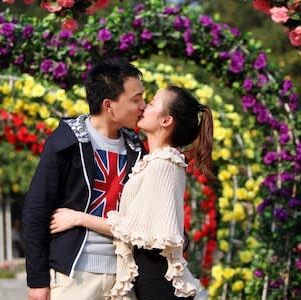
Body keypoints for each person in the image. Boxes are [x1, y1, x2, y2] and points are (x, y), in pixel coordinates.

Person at [50, 86, 212, 299]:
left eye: (152, 102)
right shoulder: (152, 161)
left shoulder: (164, 164)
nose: (144, 106)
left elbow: (132, 227)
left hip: (159, 283)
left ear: (166, 121)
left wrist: (78, 218)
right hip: (149, 281)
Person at [22, 58, 147, 300]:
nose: (143, 105)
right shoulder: (66, 141)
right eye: (136, 99)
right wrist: (37, 280)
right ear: (109, 105)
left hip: (125, 276)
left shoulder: (137, 148)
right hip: (74, 276)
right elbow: (36, 209)